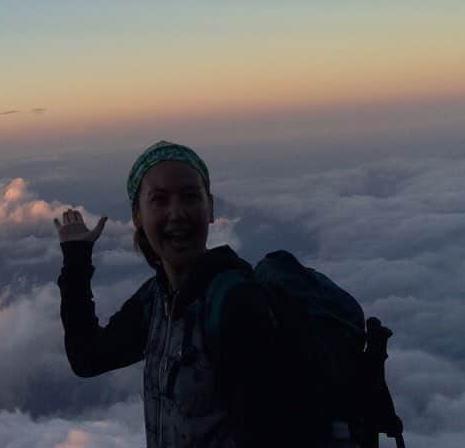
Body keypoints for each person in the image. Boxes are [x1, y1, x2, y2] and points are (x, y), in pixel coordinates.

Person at [55, 140, 292, 448]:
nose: (177, 213)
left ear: (210, 209)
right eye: (159, 200)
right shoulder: (157, 300)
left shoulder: (235, 303)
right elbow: (87, 358)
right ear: (138, 216)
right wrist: (76, 259)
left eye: (190, 197)